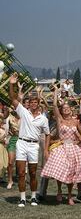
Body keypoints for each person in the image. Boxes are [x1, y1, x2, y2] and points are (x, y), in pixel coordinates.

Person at [9, 73, 50, 207]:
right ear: (29, 104)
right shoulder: (23, 112)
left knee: (33, 173)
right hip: (21, 143)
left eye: (35, 102)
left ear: (38, 104)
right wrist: (11, 84)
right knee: (21, 173)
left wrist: (46, 149)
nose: (33, 104)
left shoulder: (43, 119)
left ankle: (33, 197)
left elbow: (48, 134)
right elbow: (13, 99)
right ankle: (22, 198)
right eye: (31, 102)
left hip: (34, 146)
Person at [41, 88, 81, 205]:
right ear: (62, 111)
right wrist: (56, 92)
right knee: (60, 169)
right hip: (61, 147)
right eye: (64, 108)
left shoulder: (75, 121)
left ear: (71, 110)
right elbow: (55, 105)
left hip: (72, 147)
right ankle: (59, 190)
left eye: (68, 108)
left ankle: (70, 195)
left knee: (71, 172)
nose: (66, 109)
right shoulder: (60, 120)